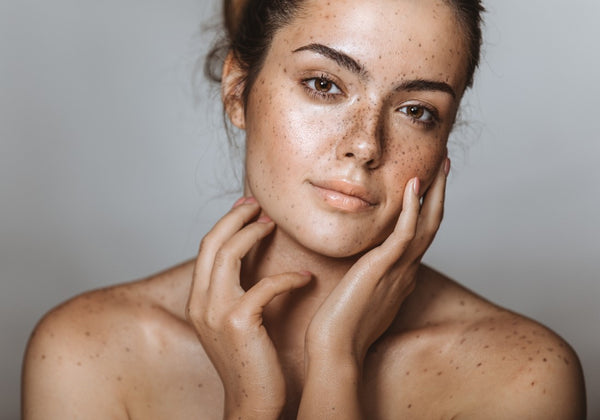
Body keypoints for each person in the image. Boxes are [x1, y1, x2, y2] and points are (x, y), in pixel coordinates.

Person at [22, 0, 586, 418]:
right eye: (324, 84)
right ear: (239, 91)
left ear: (445, 143)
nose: (365, 144)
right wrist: (251, 407)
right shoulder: (87, 353)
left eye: (417, 111)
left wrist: (335, 364)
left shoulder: (524, 375)